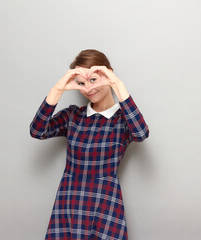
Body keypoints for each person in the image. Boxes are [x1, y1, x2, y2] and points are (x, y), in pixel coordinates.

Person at [29, 49, 149, 240]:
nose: (88, 89)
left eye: (93, 80)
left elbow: (141, 133)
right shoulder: (73, 115)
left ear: (108, 74)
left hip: (105, 203)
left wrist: (116, 83)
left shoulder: (123, 119)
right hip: (69, 202)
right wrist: (58, 89)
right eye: (81, 83)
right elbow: (37, 130)